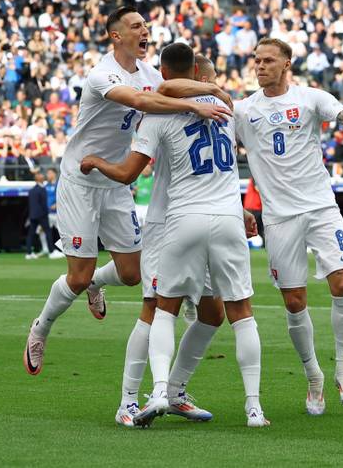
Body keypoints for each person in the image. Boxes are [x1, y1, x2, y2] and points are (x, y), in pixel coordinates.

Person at [22, 6, 231, 379]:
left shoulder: (150, 73)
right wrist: (194, 105)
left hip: (116, 180)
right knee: (77, 276)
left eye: (146, 24)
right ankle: (41, 327)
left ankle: (97, 284)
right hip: (81, 179)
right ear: (116, 36)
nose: (144, 30)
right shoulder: (102, 74)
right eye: (136, 26)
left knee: (132, 274)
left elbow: (171, 85)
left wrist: (210, 87)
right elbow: (141, 101)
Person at [79, 42, 267, 428]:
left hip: (188, 216)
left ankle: (173, 391)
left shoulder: (164, 110)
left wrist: (95, 161)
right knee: (155, 308)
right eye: (208, 79)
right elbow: (171, 92)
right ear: (197, 76)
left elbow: (131, 171)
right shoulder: (217, 108)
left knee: (210, 313)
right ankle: (129, 401)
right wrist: (211, 91)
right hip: (171, 220)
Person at [233, 37, 343, 414]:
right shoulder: (244, 110)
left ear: (287, 64)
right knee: (294, 300)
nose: (260, 66)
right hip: (279, 217)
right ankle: (314, 376)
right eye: (257, 60)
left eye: (268, 60)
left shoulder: (310, 98)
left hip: (320, 207)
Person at [26, 171, 56, 260]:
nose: (44, 177)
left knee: (31, 234)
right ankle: (51, 252)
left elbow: (31, 205)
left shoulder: (31, 190)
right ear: (39, 179)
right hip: (42, 215)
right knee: (48, 232)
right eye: (42, 176)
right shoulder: (42, 189)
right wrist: (46, 212)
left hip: (33, 215)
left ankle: (29, 253)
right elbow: (43, 204)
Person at [36, 168, 60, 256]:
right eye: (47, 173)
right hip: (47, 213)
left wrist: (57, 204)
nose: (47, 175)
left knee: (63, 233)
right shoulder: (46, 186)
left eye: (49, 173)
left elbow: (64, 197)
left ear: (54, 174)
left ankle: (65, 250)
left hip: (57, 214)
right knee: (40, 230)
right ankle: (45, 249)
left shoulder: (59, 184)